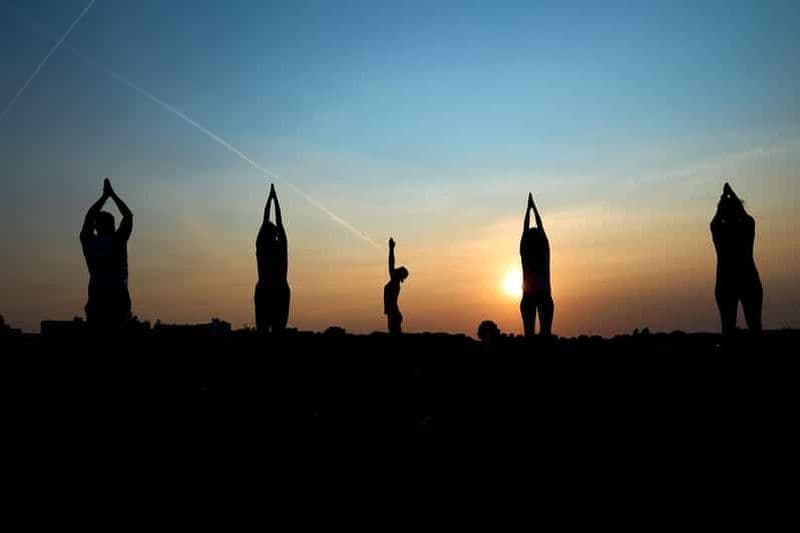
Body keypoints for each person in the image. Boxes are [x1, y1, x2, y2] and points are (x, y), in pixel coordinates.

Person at [80, 178, 133, 333]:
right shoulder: (118, 241)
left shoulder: (90, 242)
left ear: (96, 227)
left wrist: (104, 197)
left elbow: (89, 217)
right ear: (113, 225)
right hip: (117, 299)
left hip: (98, 298)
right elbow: (128, 216)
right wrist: (112, 195)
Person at [711, 182, 762, 335]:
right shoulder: (746, 227)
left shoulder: (719, 230)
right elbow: (746, 217)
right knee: (754, 328)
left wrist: (724, 200)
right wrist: (731, 195)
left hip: (730, 282)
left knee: (729, 329)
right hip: (747, 280)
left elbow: (715, 220)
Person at [255, 183, 290, 334]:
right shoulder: (281, 247)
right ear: (275, 234)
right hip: (280, 292)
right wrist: (275, 199)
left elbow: (265, 221)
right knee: (278, 331)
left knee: (263, 331)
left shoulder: (262, 247)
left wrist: (270, 199)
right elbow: (279, 222)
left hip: (265, 291)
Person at [520, 193, 553, 337]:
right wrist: (534, 208)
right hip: (543, 294)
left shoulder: (525, 249)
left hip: (529, 295)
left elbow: (525, 228)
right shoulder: (544, 250)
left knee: (529, 334)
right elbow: (540, 226)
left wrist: (528, 209)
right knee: (545, 334)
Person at [384, 237, 408, 335]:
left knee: (394, 332)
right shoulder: (394, 282)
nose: (398, 268)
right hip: (392, 312)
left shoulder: (394, 283)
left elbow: (391, 264)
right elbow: (391, 265)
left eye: (400, 269)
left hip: (393, 313)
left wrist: (391, 249)